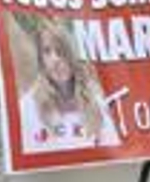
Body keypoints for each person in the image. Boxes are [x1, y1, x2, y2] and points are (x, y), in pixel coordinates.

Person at [18, 17, 120, 152]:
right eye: (47, 51)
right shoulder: (28, 106)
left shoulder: (96, 102)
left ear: (72, 55)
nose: (55, 59)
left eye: (61, 51)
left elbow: (112, 149)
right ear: (41, 60)